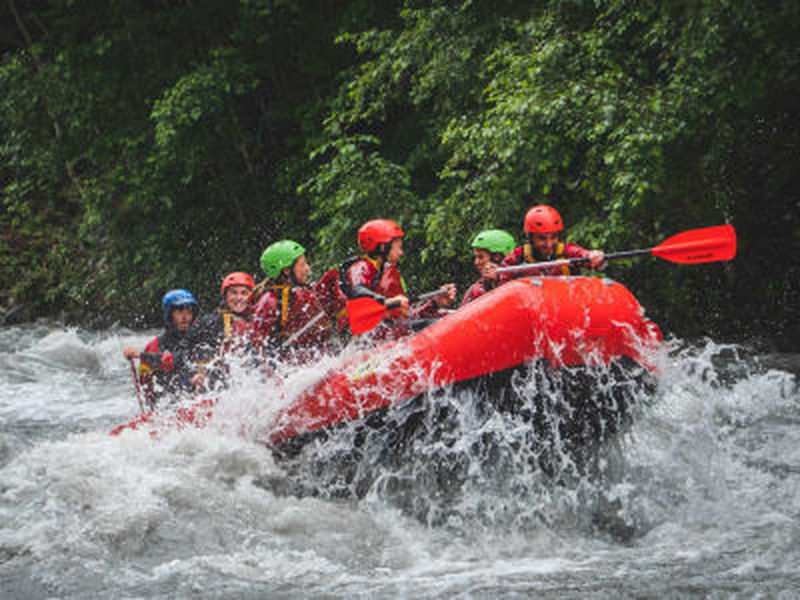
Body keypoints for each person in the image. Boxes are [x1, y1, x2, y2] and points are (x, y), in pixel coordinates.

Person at [339, 219, 456, 337]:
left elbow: (406, 318)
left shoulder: (388, 274)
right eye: (398, 247)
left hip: (387, 331)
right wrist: (385, 301)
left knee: (441, 318)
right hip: (370, 338)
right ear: (383, 247)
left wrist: (434, 303)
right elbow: (357, 290)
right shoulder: (361, 267)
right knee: (433, 324)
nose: (401, 253)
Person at [251, 240, 343, 360]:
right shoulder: (269, 302)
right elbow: (259, 348)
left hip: (318, 358)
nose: (308, 269)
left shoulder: (305, 291)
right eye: (303, 264)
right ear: (287, 271)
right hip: (290, 368)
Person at [122, 289, 199, 409]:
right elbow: (145, 384)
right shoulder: (153, 346)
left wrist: (140, 355)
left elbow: (178, 359)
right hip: (167, 405)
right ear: (169, 315)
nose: (185, 317)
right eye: (179, 312)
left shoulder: (199, 340)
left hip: (195, 399)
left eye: (189, 312)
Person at [188, 272, 256, 389]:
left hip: (248, 380)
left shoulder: (258, 320)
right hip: (216, 382)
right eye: (233, 293)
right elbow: (187, 348)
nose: (239, 298)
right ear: (225, 296)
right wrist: (195, 373)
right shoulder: (210, 322)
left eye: (244, 293)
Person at [501, 204, 605, 276]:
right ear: (530, 238)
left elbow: (583, 255)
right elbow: (502, 274)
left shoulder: (567, 251)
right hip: (533, 305)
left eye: (553, 237)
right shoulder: (519, 256)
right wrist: (493, 275)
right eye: (542, 238)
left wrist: (593, 256)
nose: (549, 244)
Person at [460, 229, 516, 306]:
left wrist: (499, 280)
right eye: (476, 257)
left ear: (497, 257)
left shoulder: (518, 283)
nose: (476, 262)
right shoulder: (475, 289)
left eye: (481, 257)